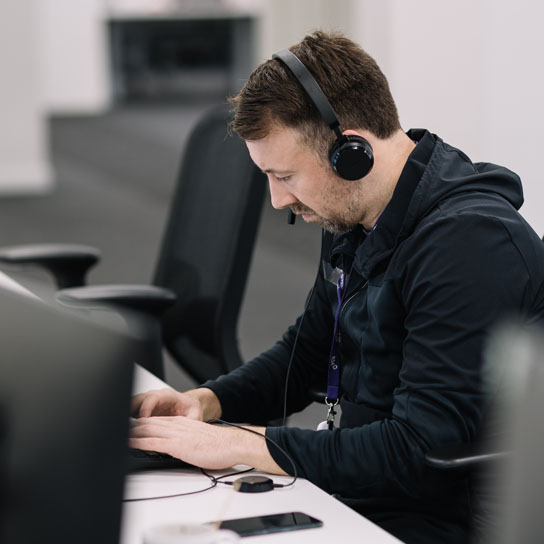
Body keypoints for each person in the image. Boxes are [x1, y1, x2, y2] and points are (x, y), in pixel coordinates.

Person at [129, 31, 544, 543]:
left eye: (284, 175)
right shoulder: (353, 217)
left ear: (352, 152)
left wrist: (241, 444)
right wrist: (207, 403)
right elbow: (305, 355)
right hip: (363, 490)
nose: (277, 200)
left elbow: (420, 450)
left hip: (439, 518)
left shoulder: (473, 246)